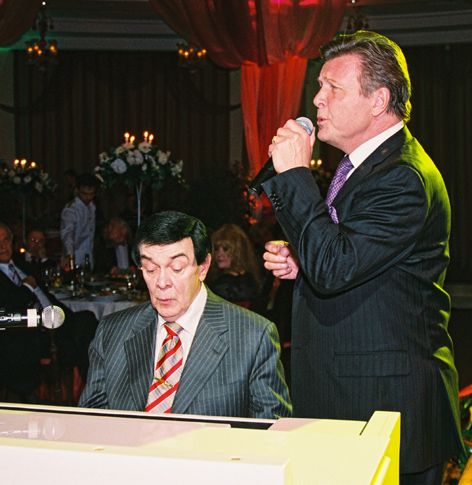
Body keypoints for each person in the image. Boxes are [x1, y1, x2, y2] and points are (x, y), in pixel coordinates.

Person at [262, 30, 464, 483]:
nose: (317, 99)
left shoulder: (403, 177)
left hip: (385, 403)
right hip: (351, 394)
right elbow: (352, 256)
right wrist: (303, 261)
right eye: (319, 86)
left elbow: (334, 267)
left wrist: (294, 175)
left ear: (378, 100)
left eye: (333, 88)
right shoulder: (366, 167)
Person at [79, 210, 291, 419]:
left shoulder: (253, 336)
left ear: (203, 267)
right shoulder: (113, 331)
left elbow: (271, 430)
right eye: (150, 269)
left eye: (177, 267)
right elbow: (90, 421)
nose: (162, 282)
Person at [0, 222, 98, 402]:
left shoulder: (23, 266)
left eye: (5, 240)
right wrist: (27, 288)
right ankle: (92, 389)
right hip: (26, 332)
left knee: (88, 321)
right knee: (81, 336)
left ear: (12, 242)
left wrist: (66, 315)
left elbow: (46, 295)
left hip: (53, 319)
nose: (2, 246)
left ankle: (93, 385)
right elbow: (8, 308)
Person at [207, 223, 261, 309]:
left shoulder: (223, 285)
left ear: (238, 251)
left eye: (226, 249)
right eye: (216, 248)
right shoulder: (250, 279)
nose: (219, 254)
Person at [60, 173, 99, 269]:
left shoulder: (92, 206)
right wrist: (70, 256)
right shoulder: (71, 210)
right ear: (77, 191)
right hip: (75, 258)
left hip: (89, 257)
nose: (88, 198)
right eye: (84, 194)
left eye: (91, 194)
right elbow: (67, 235)